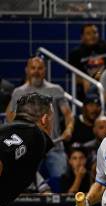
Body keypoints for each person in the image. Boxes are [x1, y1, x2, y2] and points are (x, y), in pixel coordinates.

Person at [7, 57, 75, 191]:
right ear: (27, 70)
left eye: (40, 68)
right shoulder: (18, 92)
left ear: (45, 70)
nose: (36, 71)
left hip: (55, 145)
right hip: (29, 148)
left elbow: (68, 114)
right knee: (24, 183)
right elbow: (11, 116)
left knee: (61, 181)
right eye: (33, 68)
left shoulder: (56, 89)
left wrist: (69, 129)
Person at [68, 24, 106, 97]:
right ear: (82, 37)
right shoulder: (76, 54)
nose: (93, 35)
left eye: (95, 32)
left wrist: (100, 74)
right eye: (88, 33)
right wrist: (84, 80)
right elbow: (73, 76)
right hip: (87, 88)